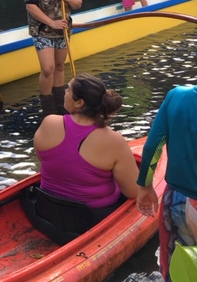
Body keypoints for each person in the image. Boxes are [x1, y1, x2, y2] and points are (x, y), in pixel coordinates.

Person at [34, 73, 139, 214]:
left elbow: (44, 159)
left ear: (79, 103)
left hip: (47, 208)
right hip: (92, 215)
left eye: (68, 89)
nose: (65, 91)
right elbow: (133, 191)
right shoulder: (114, 140)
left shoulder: (48, 123)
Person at [136, 85, 197, 282]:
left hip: (179, 200)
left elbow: (154, 144)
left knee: (174, 278)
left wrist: (145, 185)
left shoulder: (178, 97)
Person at [22, 0, 82, 117]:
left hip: (63, 30)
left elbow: (78, 3)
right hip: (42, 30)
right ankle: (47, 107)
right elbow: (30, 6)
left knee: (59, 66)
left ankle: (60, 104)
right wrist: (51, 22)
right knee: (48, 69)